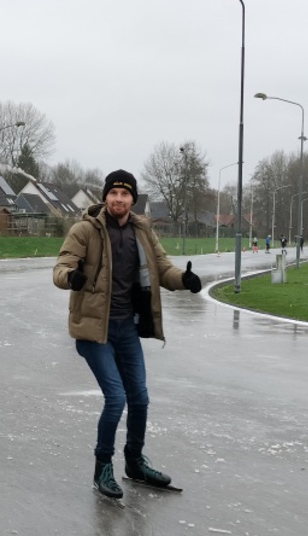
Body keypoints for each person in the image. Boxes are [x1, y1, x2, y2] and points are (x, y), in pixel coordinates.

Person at [53, 169, 202, 500]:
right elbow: (61, 268)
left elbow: (163, 269)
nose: (118, 199)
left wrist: (184, 280)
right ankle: (102, 467)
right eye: (113, 194)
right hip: (94, 331)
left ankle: (134, 461)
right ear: (105, 197)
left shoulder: (142, 231)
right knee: (116, 397)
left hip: (127, 328)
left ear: (133, 199)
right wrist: (71, 278)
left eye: (125, 194)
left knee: (140, 398)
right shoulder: (85, 230)